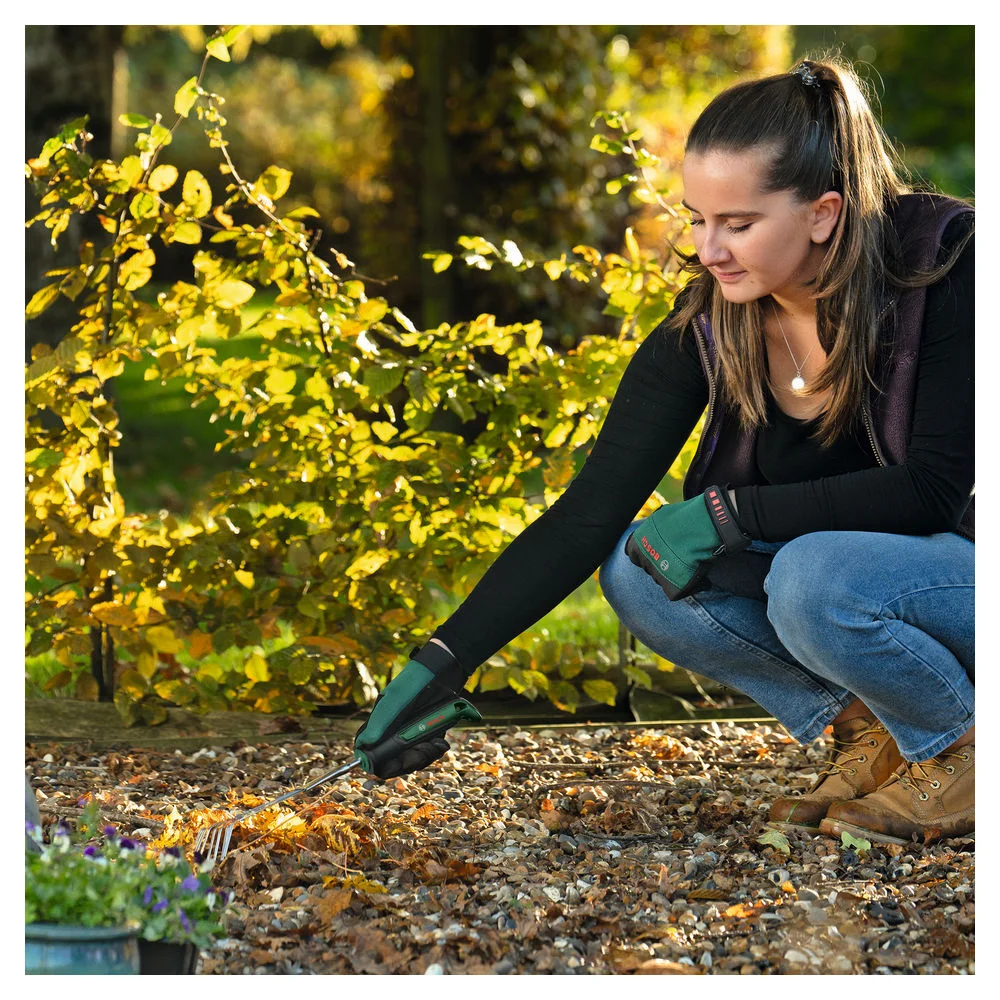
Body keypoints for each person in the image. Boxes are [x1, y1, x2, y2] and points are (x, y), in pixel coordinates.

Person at [354, 57, 975, 847]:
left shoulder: (945, 272)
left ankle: (962, 744)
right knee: (638, 567)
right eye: (697, 218)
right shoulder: (716, 323)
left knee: (810, 574)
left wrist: (731, 513)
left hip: (960, 576)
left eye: (737, 224)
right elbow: (588, 513)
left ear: (823, 214)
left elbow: (931, 492)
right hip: (867, 600)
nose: (707, 248)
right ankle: (879, 732)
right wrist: (441, 662)